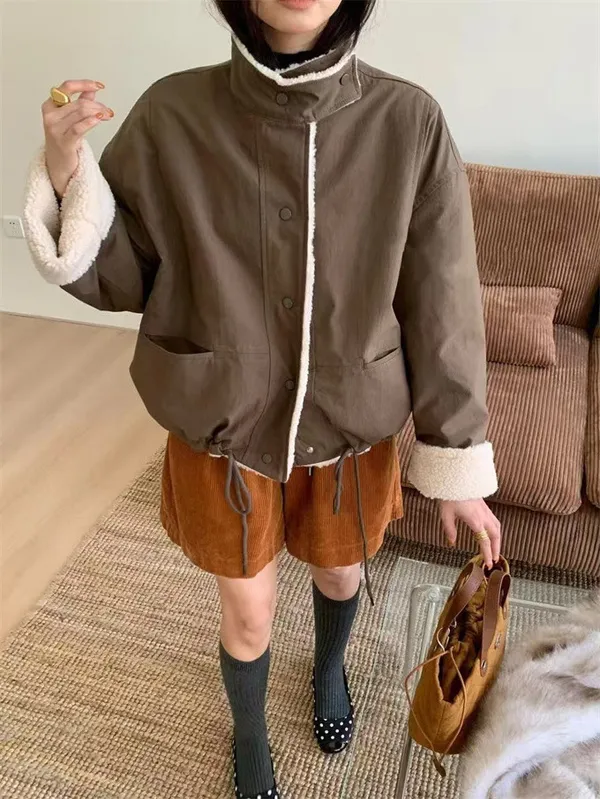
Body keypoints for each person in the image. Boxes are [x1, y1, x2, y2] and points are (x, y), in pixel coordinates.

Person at [23, 1, 503, 797]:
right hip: (223, 424)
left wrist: (457, 457)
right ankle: (249, 732)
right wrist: (67, 170)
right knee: (247, 613)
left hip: (350, 427)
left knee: (341, 576)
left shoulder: (408, 121)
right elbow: (124, 272)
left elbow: (443, 301)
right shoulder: (173, 113)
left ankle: (328, 667)